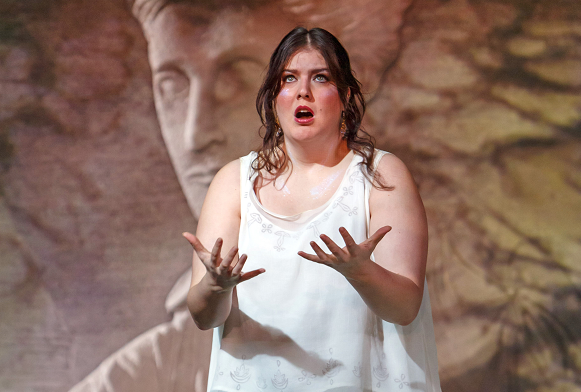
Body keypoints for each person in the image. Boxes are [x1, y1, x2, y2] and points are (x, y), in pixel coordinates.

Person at [184, 27, 441, 391]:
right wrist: (215, 285)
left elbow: (404, 308)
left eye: (320, 78)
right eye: (289, 78)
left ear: (346, 95)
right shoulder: (233, 182)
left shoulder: (380, 175)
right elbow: (203, 315)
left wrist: (360, 271)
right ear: (275, 97)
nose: (303, 90)